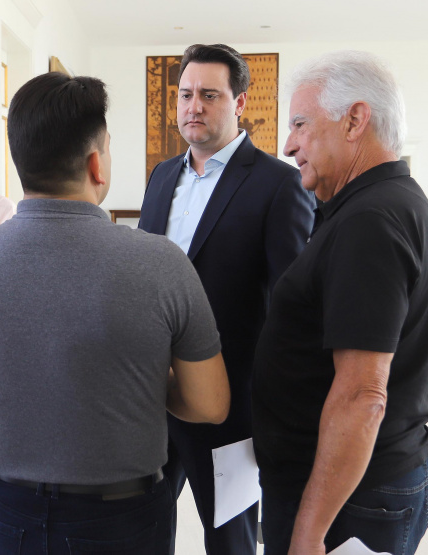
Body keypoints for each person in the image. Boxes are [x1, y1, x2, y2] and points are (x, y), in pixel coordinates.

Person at [0, 71, 231, 554]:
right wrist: (130, 384)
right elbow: (209, 403)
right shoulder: (160, 263)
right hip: (121, 516)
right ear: (96, 164)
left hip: (8, 509)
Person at [252, 50, 428, 555]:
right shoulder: (388, 204)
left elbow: (363, 395)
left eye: (300, 123)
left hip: (349, 503)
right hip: (362, 485)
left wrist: (309, 533)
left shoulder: (370, 222)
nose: (288, 143)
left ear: (355, 120)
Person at [138, 43, 315, 554]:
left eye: (209, 95)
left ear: (239, 102)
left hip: (230, 403)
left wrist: (274, 407)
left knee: (231, 537)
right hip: (153, 395)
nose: (193, 106)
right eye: (186, 94)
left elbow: (291, 308)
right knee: (144, 527)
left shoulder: (279, 184)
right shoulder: (162, 176)